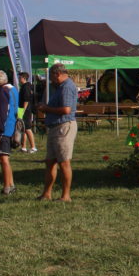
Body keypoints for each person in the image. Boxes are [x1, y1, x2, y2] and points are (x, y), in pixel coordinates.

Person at [38, 63, 78, 202]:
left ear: (57, 74)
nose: (50, 80)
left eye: (51, 76)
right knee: (50, 162)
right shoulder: (61, 87)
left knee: (64, 162)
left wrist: (47, 109)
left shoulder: (66, 87)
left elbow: (66, 109)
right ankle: (46, 193)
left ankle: (66, 196)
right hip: (55, 126)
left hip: (63, 127)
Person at [0, 70, 19, 196]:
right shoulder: (13, 90)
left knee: (3, 158)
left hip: (3, 131)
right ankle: (10, 184)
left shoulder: (2, 91)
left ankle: (7, 187)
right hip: (10, 128)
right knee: (3, 159)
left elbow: (2, 113)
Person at [18, 71, 38, 153]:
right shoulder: (26, 86)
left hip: (26, 110)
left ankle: (33, 147)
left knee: (28, 128)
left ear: (23, 78)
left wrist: (23, 110)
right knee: (24, 128)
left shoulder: (26, 87)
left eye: (20, 77)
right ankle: (23, 147)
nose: (19, 79)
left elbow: (26, 99)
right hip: (25, 109)